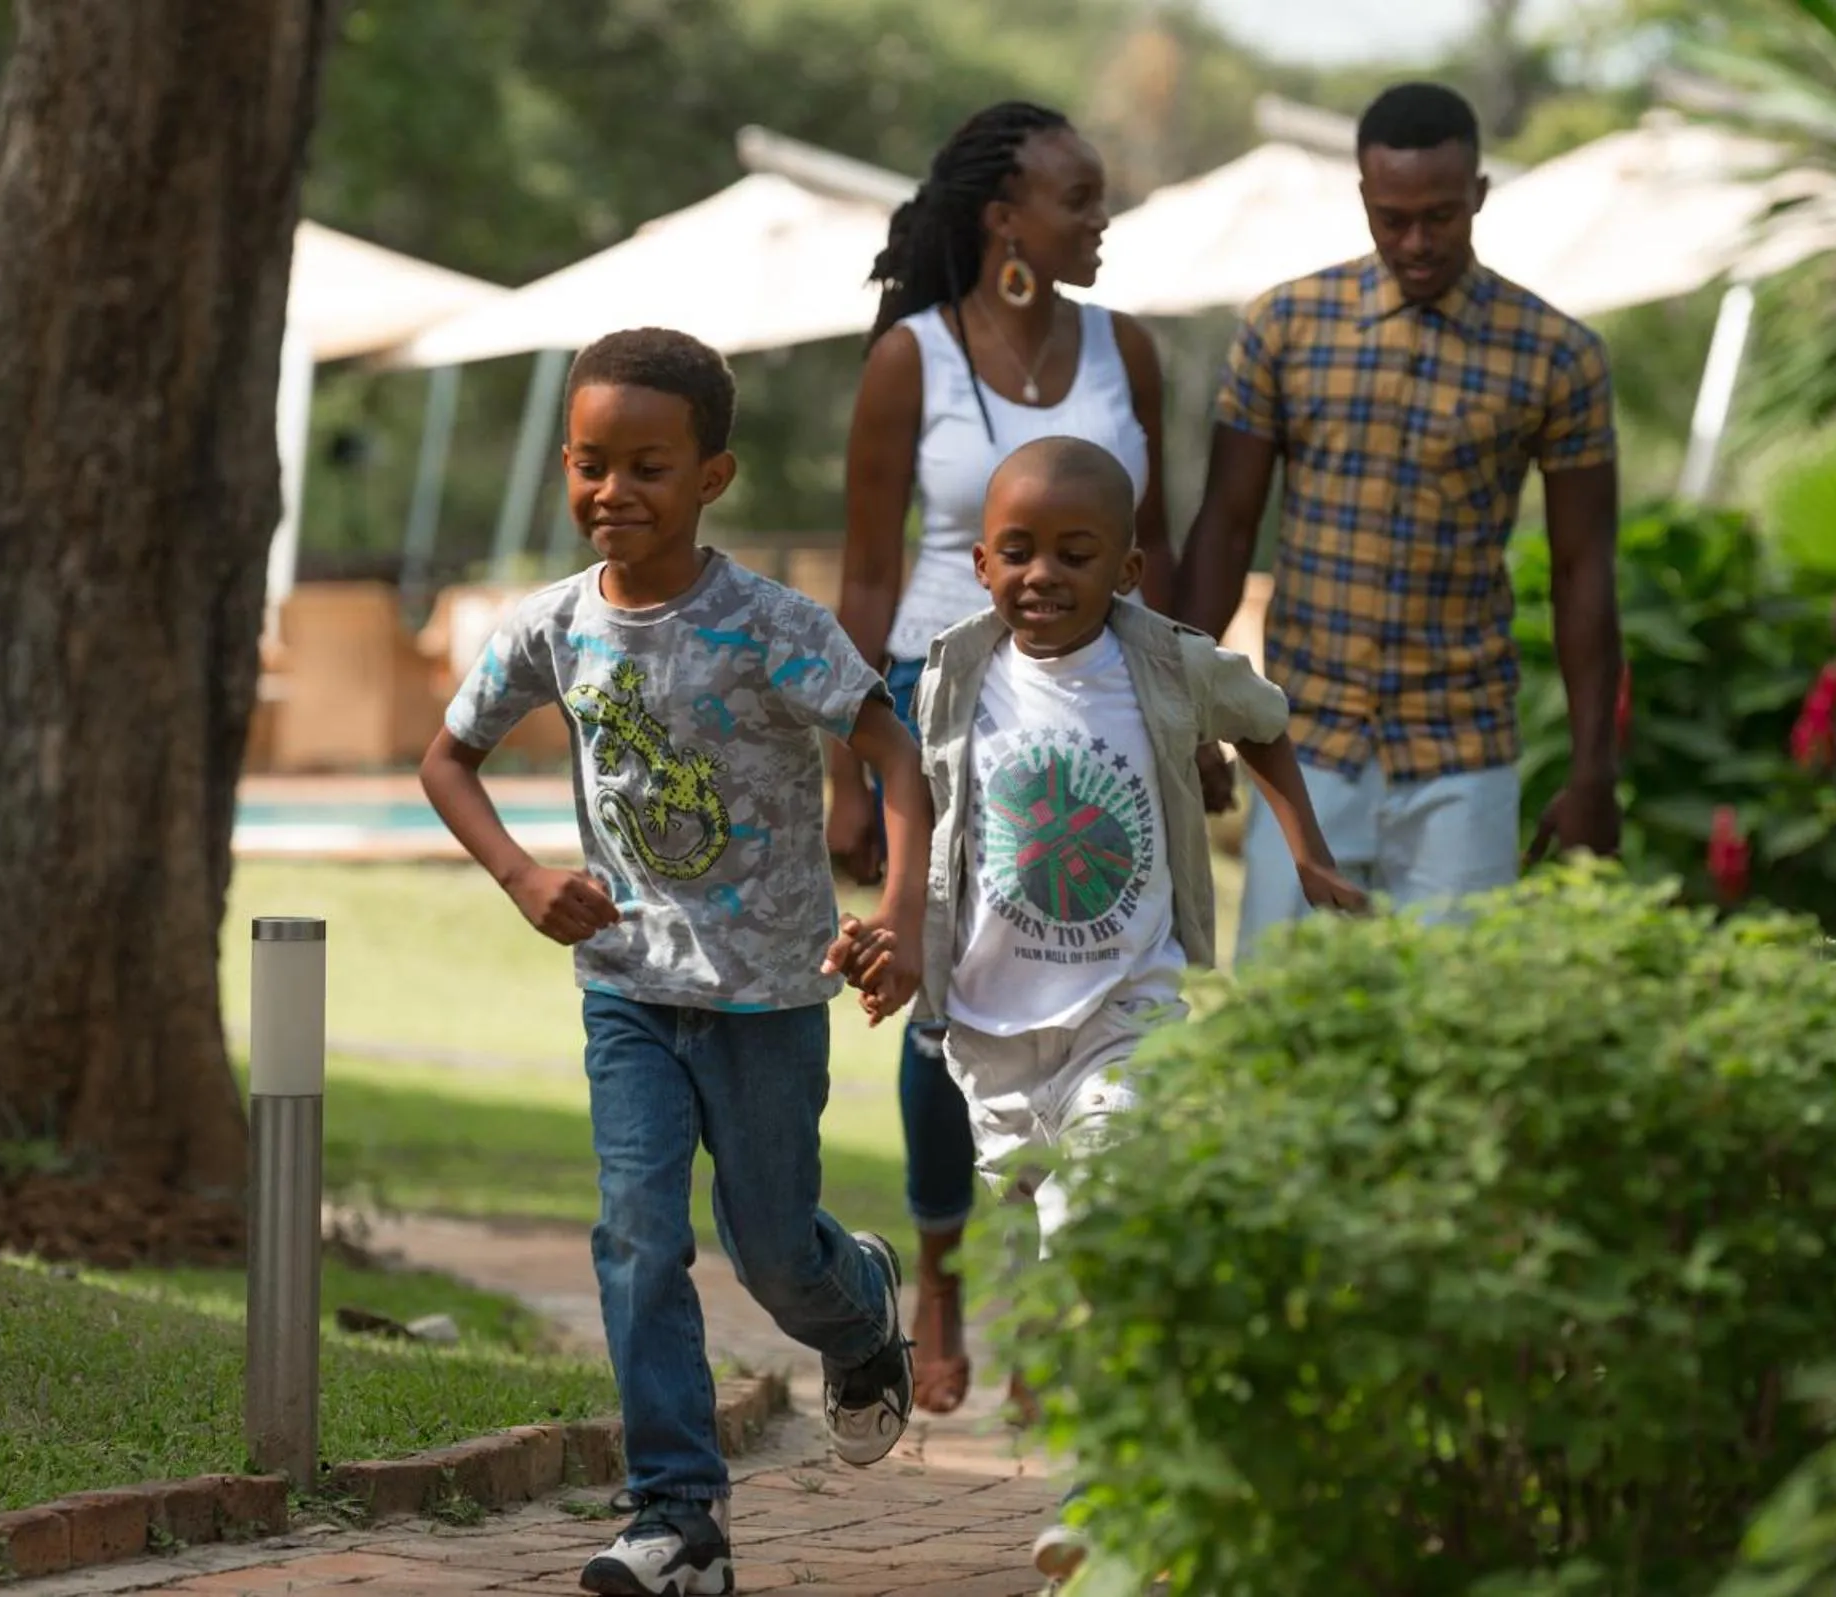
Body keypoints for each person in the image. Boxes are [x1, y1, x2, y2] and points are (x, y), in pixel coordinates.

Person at [419, 328, 928, 1597]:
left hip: (767, 998)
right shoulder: (552, 627)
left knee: (769, 1249)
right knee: (639, 1235)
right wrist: (526, 878)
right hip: (630, 990)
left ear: (714, 476)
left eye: (648, 465)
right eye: (591, 463)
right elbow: (448, 759)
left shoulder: (771, 626)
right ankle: (678, 1516)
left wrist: (903, 917)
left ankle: (858, 1301)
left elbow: (896, 751)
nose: (613, 491)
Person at [830, 435, 1366, 1582]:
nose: (1042, 575)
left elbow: (1264, 724)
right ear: (979, 562)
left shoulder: (1169, 664)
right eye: (1017, 551)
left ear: (1126, 568)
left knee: (1099, 1228)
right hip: (992, 1030)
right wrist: (897, 934)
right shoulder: (950, 674)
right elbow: (917, 810)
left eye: (1075, 554)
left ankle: (1110, 1487)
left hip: (1129, 1011)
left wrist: (1306, 852)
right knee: (1049, 1230)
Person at [826, 99, 1174, 1415]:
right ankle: (943, 1272)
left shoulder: (1127, 354)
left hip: (1100, 708)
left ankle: (1046, 1288)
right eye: (1079, 199)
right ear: (1003, 220)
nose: (1100, 221)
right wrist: (845, 774)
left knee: (1081, 991)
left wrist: (1188, 722)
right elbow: (865, 571)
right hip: (938, 703)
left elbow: (1170, 547)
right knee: (948, 1001)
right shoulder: (910, 361)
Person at [1173, 81, 1623, 955]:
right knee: (1284, 1024)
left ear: (1480, 198)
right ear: (1363, 200)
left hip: (1462, 748)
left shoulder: (1558, 353)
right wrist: (1186, 716)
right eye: (1393, 218)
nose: (1416, 242)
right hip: (1304, 740)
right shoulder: (1286, 326)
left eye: (1442, 217)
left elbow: (1584, 569)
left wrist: (1594, 764)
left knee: (1457, 1031)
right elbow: (1226, 526)